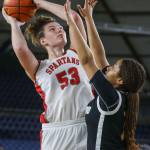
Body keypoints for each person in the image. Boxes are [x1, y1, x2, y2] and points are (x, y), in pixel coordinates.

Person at [2, 0, 94, 149]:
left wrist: (39, 3)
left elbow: (75, 18)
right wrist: (13, 24)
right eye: (53, 29)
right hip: (56, 130)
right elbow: (20, 49)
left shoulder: (77, 53)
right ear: (43, 40)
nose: (60, 30)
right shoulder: (39, 68)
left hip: (87, 123)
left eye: (60, 28)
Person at [65, 0, 146, 150]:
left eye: (114, 67)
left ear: (120, 80)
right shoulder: (115, 97)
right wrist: (88, 18)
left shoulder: (112, 98)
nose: (109, 67)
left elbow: (87, 60)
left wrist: (72, 23)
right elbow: (98, 55)